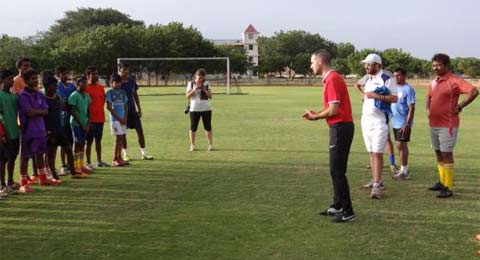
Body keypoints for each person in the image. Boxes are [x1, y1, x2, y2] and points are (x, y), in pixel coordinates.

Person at [302, 50, 356, 223]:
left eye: (312, 62)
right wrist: (317, 113)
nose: (311, 66)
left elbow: (334, 110)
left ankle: (348, 212)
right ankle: (338, 205)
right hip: (339, 127)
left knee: (337, 170)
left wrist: (315, 117)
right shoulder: (331, 78)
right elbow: (332, 109)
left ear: (319, 61)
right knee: (335, 170)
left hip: (341, 128)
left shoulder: (332, 79)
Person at [426, 53, 478, 198]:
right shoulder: (434, 81)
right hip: (433, 124)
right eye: (434, 65)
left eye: (439, 65)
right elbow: (428, 96)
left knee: (446, 154)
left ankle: (448, 187)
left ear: (447, 65)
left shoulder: (454, 80)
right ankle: (442, 182)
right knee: (438, 152)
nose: (435, 68)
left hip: (447, 125)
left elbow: (474, 91)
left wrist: (460, 106)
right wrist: (428, 109)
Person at [359, 53, 398, 199]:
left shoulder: (387, 78)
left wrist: (376, 96)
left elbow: (394, 98)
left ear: (378, 65)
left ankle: (376, 186)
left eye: (369, 64)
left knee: (377, 153)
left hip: (379, 122)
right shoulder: (368, 79)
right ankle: (377, 180)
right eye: (366, 64)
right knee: (371, 152)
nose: (366, 67)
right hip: (366, 121)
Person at [17, 70, 57, 193]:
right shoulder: (23, 95)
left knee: (40, 154)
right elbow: (28, 113)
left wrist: (36, 111)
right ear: (26, 81)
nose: (35, 81)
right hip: (29, 131)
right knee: (25, 157)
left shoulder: (38, 94)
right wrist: (38, 111)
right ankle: (23, 183)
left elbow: (46, 110)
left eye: (36, 78)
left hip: (40, 130)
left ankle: (43, 178)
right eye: (33, 79)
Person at [355, 69, 399, 174]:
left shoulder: (386, 76)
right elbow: (356, 85)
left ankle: (392, 163)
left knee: (387, 138)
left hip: (381, 113)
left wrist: (378, 97)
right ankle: (375, 163)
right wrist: (364, 96)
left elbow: (393, 97)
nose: (368, 67)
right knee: (372, 142)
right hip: (368, 115)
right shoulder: (367, 77)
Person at [44, 73, 77, 182]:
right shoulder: (43, 99)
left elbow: (63, 106)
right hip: (49, 130)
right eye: (53, 85)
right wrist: (46, 131)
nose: (56, 87)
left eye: (56, 85)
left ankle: (73, 172)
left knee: (68, 148)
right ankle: (54, 175)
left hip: (59, 128)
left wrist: (70, 107)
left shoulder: (57, 97)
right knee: (51, 154)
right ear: (47, 86)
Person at [118, 62, 154, 161]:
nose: (126, 72)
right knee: (123, 133)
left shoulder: (131, 81)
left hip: (132, 110)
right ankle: (125, 154)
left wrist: (139, 108)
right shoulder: (116, 81)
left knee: (140, 131)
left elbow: (135, 95)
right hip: (121, 112)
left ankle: (144, 153)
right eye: (124, 70)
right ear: (119, 70)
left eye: (127, 70)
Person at [391, 68, 416, 180]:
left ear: (404, 76)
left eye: (398, 76)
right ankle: (403, 169)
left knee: (401, 145)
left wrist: (407, 124)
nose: (396, 78)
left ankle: (404, 171)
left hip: (403, 123)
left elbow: (412, 108)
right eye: (394, 76)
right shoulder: (393, 88)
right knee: (399, 145)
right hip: (395, 122)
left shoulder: (408, 89)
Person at [85, 66, 109, 169]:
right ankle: (88, 163)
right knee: (89, 142)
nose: (96, 76)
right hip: (90, 120)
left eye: (97, 73)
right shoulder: (86, 87)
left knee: (98, 140)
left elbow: (103, 100)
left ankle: (99, 161)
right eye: (93, 74)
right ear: (88, 76)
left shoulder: (100, 87)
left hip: (100, 118)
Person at [0, 69, 20, 196]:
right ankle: (2, 185)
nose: (11, 81)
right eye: (8, 79)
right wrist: (2, 133)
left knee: (12, 157)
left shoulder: (14, 97)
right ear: (2, 80)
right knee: (3, 159)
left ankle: (10, 181)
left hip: (15, 132)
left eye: (12, 79)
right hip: (4, 133)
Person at [68, 76, 92, 178]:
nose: (85, 84)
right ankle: (76, 166)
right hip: (76, 124)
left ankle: (81, 165)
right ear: (77, 84)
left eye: (86, 82)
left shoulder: (87, 96)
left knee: (83, 143)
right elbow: (72, 111)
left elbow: (89, 111)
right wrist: (82, 125)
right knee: (77, 143)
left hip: (85, 124)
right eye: (83, 82)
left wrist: (88, 123)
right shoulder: (73, 95)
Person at [186, 68, 214, 151]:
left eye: (202, 78)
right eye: (199, 78)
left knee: (208, 127)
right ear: (196, 76)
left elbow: (210, 96)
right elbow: (187, 96)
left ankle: (210, 145)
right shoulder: (190, 84)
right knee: (193, 128)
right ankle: (192, 145)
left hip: (206, 109)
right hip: (194, 109)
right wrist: (194, 90)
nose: (201, 80)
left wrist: (205, 90)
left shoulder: (207, 83)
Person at [56, 66, 77, 176]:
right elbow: (61, 103)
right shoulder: (56, 86)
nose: (66, 76)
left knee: (70, 141)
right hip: (61, 119)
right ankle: (63, 165)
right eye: (63, 74)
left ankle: (70, 164)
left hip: (71, 118)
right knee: (63, 143)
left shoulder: (72, 86)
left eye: (67, 73)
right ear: (58, 75)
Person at [106, 74, 128, 167]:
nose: (118, 84)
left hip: (123, 119)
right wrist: (119, 118)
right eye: (116, 82)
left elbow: (126, 105)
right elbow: (109, 107)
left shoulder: (123, 92)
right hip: (115, 119)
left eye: (119, 82)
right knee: (118, 138)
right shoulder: (109, 92)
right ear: (111, 83)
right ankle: (115, 158)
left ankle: (120, 157)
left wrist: (125, 117)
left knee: (122, 138)